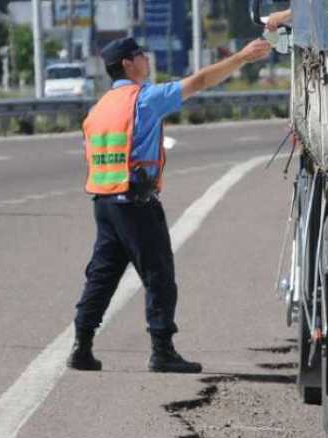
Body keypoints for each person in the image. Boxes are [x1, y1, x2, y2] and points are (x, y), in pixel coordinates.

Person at [66, 37, 272, 373]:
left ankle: (81, 346)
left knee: (101, 276)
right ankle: (162, 350)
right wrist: (241, 58)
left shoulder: (99, 107)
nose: (146, 60)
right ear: (127, 64)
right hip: (135, 204)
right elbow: (201, 81)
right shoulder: (143, 99)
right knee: (159, 274)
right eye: (140, 56)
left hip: (105, 202)